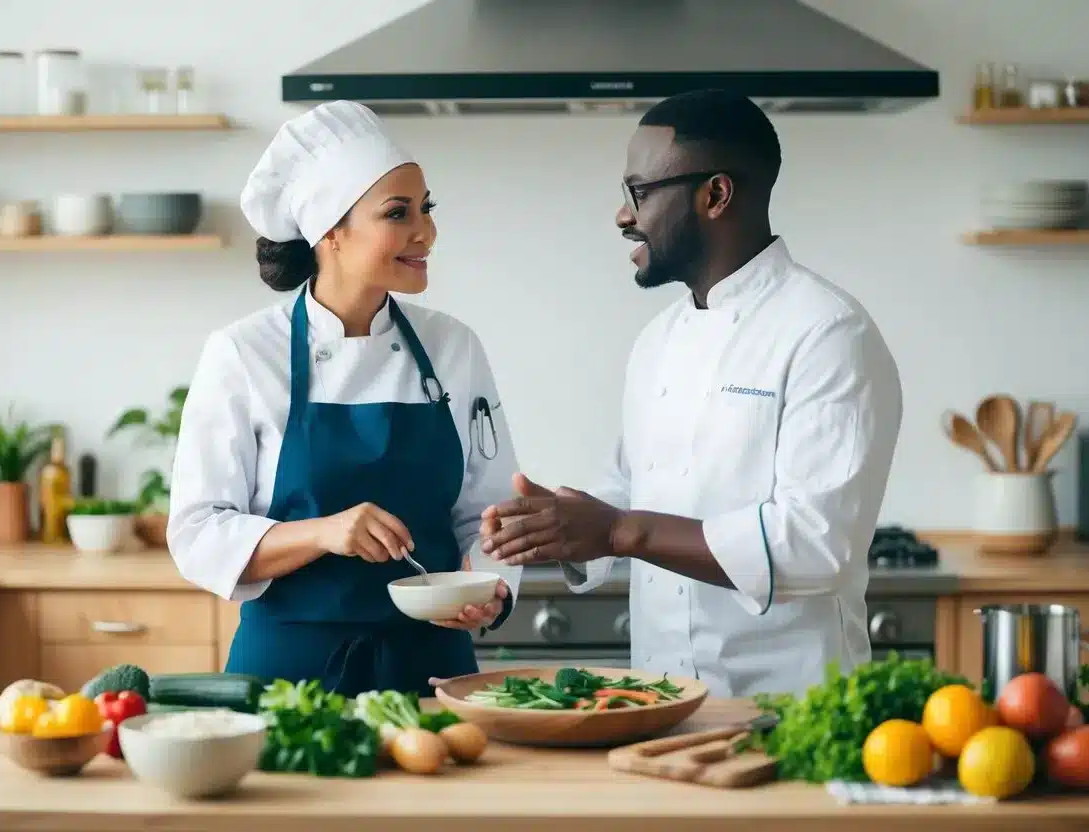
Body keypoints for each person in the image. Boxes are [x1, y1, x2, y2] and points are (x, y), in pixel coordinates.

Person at [479, 88, 903, 698]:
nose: (623, 215)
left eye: (639, 192)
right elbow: (630, 489)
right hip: (660, 700)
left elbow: (817, 545)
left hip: (787, 708)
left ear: (716, 195)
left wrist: (621, 530)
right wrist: (555, 525)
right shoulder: (658, 338)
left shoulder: (828, 333)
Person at [167, 101, 521, 697]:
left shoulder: (453, 347)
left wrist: (489, 586)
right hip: (287, 677)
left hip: (433, 668)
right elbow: (198, 533)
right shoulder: (244, 353)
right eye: (398, 213)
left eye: (427, 208)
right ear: (330, 230)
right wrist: (323, 533)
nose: (426, 232)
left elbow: (490, 510)